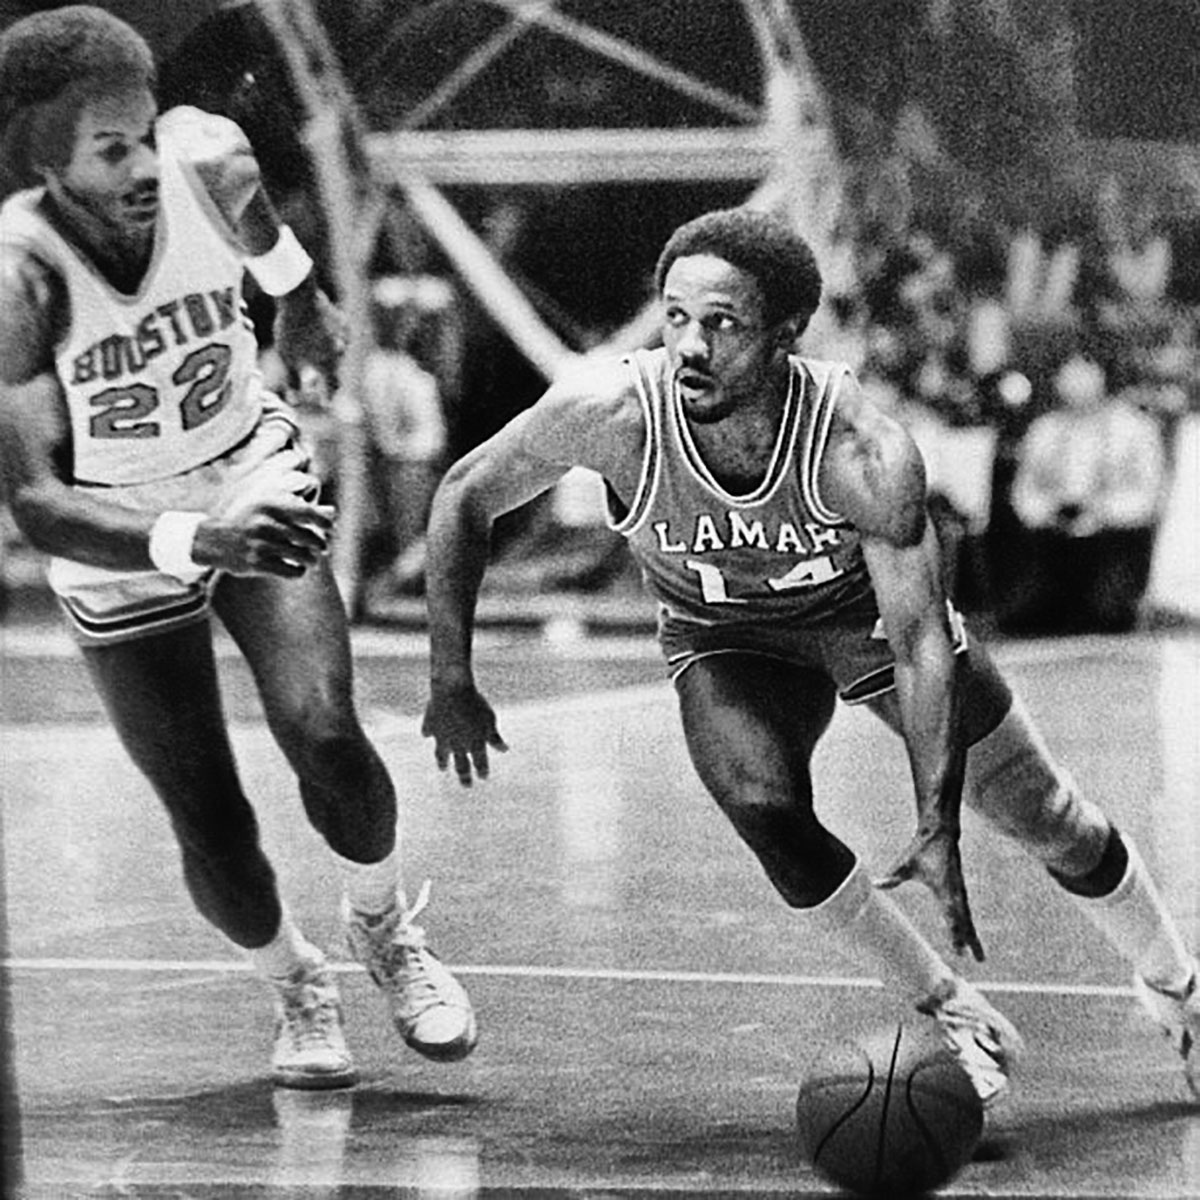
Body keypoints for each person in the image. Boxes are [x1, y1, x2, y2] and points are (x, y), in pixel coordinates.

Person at [421, 206, 1199, 1106]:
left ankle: (1177, 986)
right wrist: (452, 677)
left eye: (722, 324)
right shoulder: (612, 416)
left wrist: (936, 816)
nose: (691, 347)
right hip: (726, 633)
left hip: (858, 620)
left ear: (787, 335)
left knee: (1048, 817)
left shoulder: (859, 450)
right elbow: (463, 495)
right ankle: (947, 1008)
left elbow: (916, 640)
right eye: (676, 318)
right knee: (760, 802)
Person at [0, 7, 475, 1090]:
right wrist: (199, 540)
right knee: (207, 814)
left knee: (327, 732)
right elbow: (35, 504)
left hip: (243, 462)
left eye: (143, 129)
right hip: (115, 526)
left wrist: (301, 309)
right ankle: (291, 980)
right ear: (42, 158)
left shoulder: (206, 155)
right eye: (107, 148)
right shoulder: (18, 282)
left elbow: (275, 250)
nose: (141, 161)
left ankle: (383, 927)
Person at [1005, 350, 1166, 634]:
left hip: (1113, 538)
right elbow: (1024, 492)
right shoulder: (1044, 429)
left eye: (1084, 371)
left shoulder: (1136, 427)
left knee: (1105, 616)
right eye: (1068, 373)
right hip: (1055, 538)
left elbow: (1149, 495)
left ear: (1104, 375)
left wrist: (1102, 512)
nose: (1075, 382)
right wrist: (1050, 513)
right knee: (1024, 617)